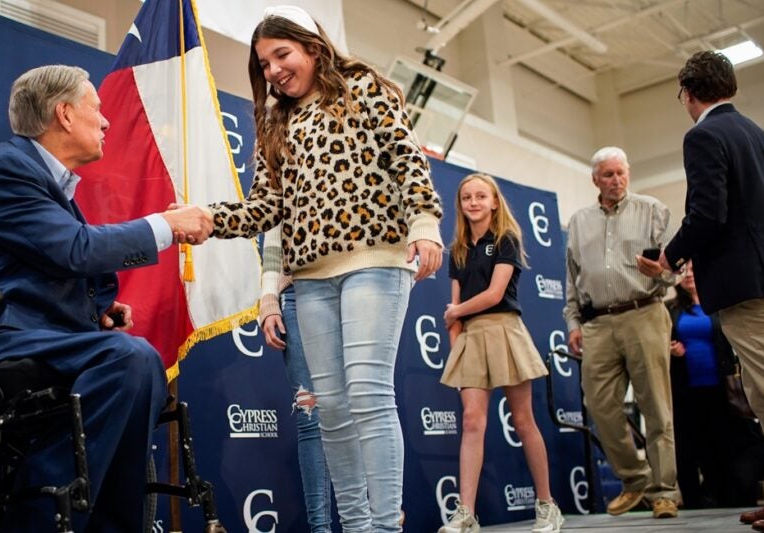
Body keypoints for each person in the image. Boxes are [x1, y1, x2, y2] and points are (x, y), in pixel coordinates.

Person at [201, 6, 444, 531]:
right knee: (329, 407)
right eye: (263, 64)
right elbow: (266, 208)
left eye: (281, 55)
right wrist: (209, 219)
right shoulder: (275, 122)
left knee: (369, 394)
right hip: (309, 280)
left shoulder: (365, 87)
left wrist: (424, 221)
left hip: (374, 262)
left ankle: (385, 526)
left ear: (312, 48)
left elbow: (407, 159)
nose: (273, 71)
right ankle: (355, 527)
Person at [0, 65, 212, 532]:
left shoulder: (47, 182)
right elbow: (74, 249)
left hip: (39, 332)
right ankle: (41, 515)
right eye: (96, 109)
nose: (105, 122)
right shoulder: (8, 170)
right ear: (65, 114)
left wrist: (96, 311)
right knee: (130, 359)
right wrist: (166, 226)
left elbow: (39, 262)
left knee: (135, 359)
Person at [647, 50, 764, 532]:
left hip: (744, 282)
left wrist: (670, 255)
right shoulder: (756, 133)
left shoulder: (703, 135)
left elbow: (709, 213)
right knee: (762, 391)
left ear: (687, 93)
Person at [438, 174, 563, 533]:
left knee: (523, 420)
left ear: (494, 202)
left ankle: (547, 505)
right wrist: (457, 348)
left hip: (506, 331)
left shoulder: (507, 238)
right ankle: (466, 514)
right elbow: (453, 313)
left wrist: (456, 312)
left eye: (481, 196)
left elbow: (493, 295)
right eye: (466, 197)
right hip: (471, 338)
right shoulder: (458, 249)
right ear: (460, 205)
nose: (473, 202)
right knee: (471, 422)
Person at [563, 146, 680, 519]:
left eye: (621, 173)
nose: (616, 180)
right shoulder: (579, 221)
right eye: (608, 175)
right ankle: (635, 478)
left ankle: (664, 492)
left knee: (655, 407)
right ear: (595, 179)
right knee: (599, 405)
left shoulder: (653, 210)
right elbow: (572, 278)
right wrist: (573, 322)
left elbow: (676, 270)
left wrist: (662, 273)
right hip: (597, 322)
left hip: (645, 313)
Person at [667, 263, 763, 508]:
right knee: (688, 446)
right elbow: (659, 342)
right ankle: (694, 500)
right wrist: (671, 349)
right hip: (685, 389)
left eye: (693, 269)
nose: (689, 274)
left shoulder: (720, 305)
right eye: (684, 271)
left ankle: (730, 497)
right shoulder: (670, 309)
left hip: (722, 388)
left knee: (725, 443)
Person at [259, 224, 334, 532]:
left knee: (361, 409)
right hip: (295, 294)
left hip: (351, 291)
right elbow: (273, 241)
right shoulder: (278, 188)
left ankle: (372, 522)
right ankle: (320, 529)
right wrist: (268, 300)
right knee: (309, 414)